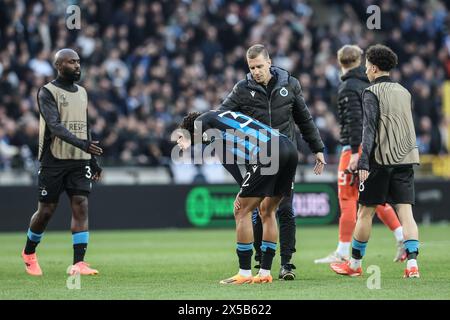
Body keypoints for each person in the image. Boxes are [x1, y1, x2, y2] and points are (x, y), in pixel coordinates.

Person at [177, 110, 325, 284]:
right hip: (288, 147)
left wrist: (242, 190)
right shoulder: (222, 120)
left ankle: (244, 273)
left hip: (269, 150)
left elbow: (225, 158)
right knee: (267, 211)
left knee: (241, 211)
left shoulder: (202, 121)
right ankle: (264, 273)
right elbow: (236, 158)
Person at [218, 44, 325, 280]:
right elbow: (222, 116)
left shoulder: (289, 84)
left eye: (259, 66)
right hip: (259, 158)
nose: (255, 71)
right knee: (258, 210)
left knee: (284, 209)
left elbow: (304, 118)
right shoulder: (242, 89)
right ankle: (261, 264)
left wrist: (317, 148)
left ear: (269, 62)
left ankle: (286, 264)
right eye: (251, 67)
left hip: (286, 156)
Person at [330, 44, 421, 278]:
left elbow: (368, 130)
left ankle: (354, 264)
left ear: (373, 67)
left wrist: (362, 162)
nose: (366, 70)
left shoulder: (370, 92)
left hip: (380, 160)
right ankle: (412, 265)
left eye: (368, 66)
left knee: (365, 212)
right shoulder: (404, 91)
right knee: (406, 213)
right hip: (405, 158)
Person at [314, 45, 405, 264]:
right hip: (374, 147)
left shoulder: (347, 86)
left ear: (339, 61)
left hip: (354, 149)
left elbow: (355, 121)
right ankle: (402, 238)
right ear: (359, 60)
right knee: (374, 198)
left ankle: (343, 251)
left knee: (347, 198)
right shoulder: (369, 83)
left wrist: (355, 152)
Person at [21, 49, 103, 276]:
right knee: (46, 211)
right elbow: (55, 126)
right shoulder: (47, 92)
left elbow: (85, 127)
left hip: (79, 159)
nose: (77, 65)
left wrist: (92, 158)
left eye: (78, 61)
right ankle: (29, 253)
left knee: (81, 204)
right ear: (59, 65)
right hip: (53, 159)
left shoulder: (83, 92)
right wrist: (83, 145)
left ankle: (79, 263)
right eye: (72, 62)